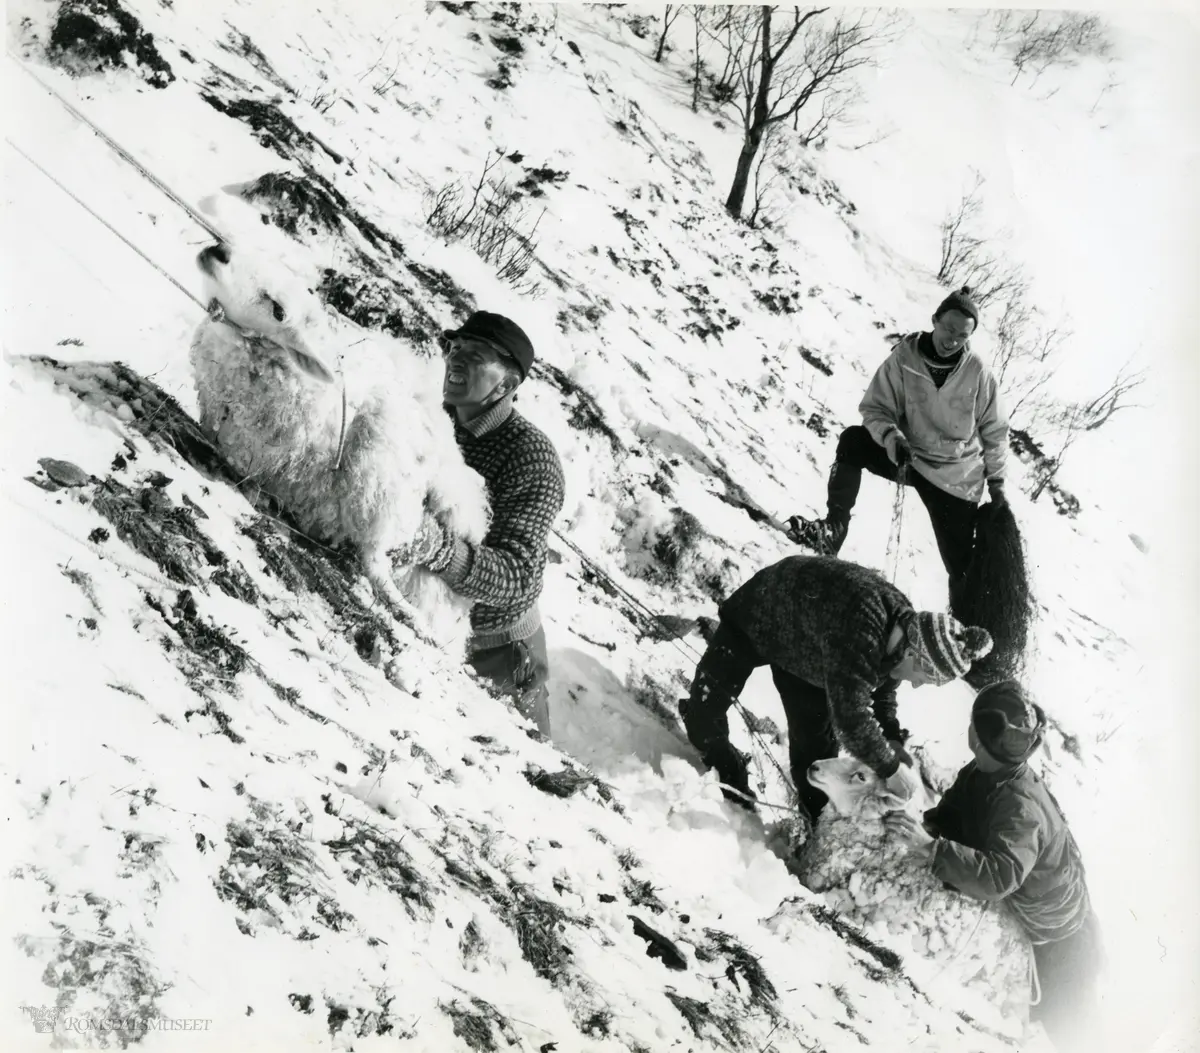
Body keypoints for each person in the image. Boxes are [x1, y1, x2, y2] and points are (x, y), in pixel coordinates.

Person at [678, 554, 994, 823]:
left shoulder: (908, 630)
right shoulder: (863, 631)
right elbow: (852, 717)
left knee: (814, 756)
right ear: (915, 655)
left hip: (813, 655)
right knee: (704, 713)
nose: (914, 684)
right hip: (762, 615)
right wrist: (889, 767)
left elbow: (882, 690)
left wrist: (893, 738)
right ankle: (732, 786)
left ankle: (819, 831)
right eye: (923, 678)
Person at [886, 680, 1102, 1053]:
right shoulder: (986, 771)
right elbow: (955, 810)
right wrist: (928, 829)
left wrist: (933, 850)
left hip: (1059, 937)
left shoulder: (1020, 806)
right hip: (1047, 914)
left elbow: (1000, 876)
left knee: (1067, 1027)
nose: (972, 741)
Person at [787, 287, 1009, 604]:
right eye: (948, 328)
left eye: (962, 335)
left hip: (954, 479)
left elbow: (995, 430)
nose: (952, 340)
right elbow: (876, 408)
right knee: (852, 441)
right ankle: (833, 529)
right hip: (907, 456)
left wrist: (997, 483)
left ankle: (963, 629)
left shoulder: (979, 374)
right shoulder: (904, 358)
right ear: (934, 320)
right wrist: (892, 437)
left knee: (960, 567)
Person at [401, 311, 565, 737]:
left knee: (523, 766)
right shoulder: (430, 419)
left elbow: (516, 575)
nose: (455, 360)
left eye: (475, 355)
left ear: (507, 384)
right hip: (429, 618)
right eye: (453, 348)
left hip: (499, 646)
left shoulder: (531, 459)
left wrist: (435, 548)